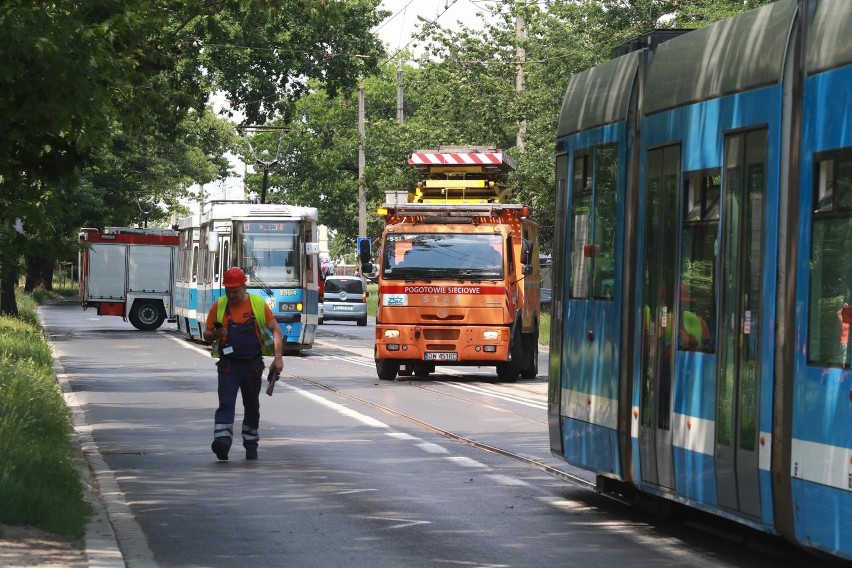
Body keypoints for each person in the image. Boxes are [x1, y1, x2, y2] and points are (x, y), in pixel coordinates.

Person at [203, 266, 284, 461]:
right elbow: (206, 335)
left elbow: (276, 330)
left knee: (251, 405)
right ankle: (222, 442)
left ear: (244, 286)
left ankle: (251, 443)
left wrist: (278, 357)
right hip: (229, 366)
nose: (232, 296)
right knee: (226, 403)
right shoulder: (220, 306)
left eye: (235, 291)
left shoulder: (257, 304)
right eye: (228, 292)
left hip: (252, 365)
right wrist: (215, 334)